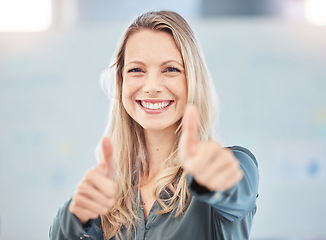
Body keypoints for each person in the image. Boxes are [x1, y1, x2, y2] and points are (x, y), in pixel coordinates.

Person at [49, 10, 259, 240]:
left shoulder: (235, 166)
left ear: (192, 80)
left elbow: (234, 191)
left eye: (171, 70)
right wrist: (76, 216)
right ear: (121, 82)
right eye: (136, 70)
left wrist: (214, 179)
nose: (152, 86)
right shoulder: (111, 195)